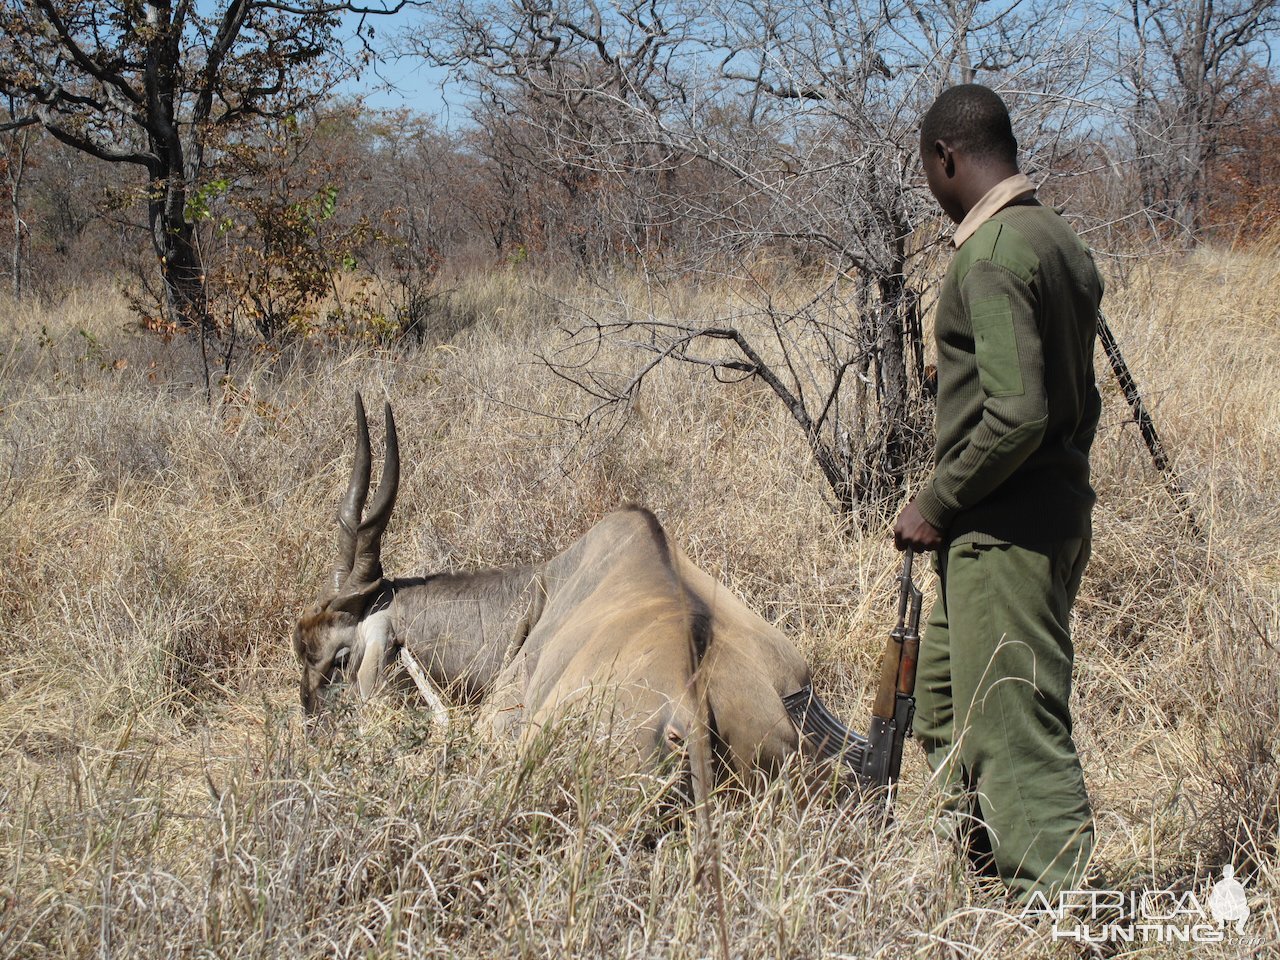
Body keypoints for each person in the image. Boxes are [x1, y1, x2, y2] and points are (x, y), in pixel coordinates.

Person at [893, 83, 1103, 902]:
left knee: (1015, 727)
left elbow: (1017, 414)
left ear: (947, 158)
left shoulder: (991, 255)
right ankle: (980, 889)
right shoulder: (1057, 239)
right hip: (1039, 519)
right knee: (944, 701)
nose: (931, 189)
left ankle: (1065, 915)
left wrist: (935, 502)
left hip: (1003, 534)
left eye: (929, 172)